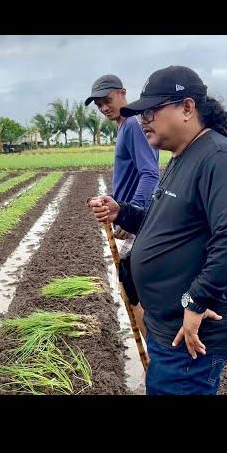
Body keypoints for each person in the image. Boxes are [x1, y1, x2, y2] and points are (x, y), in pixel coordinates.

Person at [88, 66, 227, 395]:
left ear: (187, 108)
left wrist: (195, 302)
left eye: (152, 110)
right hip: (168, 324)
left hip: (191, 332)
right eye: (141, 113)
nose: (144, 119)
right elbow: (165, 222)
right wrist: (122, 212)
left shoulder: (218, 158)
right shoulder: (184, 155)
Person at [85, 74, 159, 337]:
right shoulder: (124, 126)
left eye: (108, 100)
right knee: (131, 290)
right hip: (129, 216)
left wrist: (130, 215)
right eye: (99, 105)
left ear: (123, 93)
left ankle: (156, 354)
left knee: (132, 292)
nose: (104, 108)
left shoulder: (132, 126)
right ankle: (156, 356)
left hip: (137, 218)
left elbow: (150, 173)